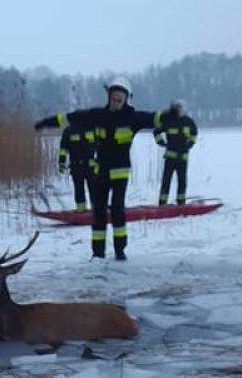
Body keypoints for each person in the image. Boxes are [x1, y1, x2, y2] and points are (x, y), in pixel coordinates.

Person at [36, 76, 168, 260]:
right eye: (113, 98)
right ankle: (98, 253)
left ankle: (120, 251)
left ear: (126, 99)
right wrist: (46, 122)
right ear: (109, 98)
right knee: (98, 212)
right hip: (101, 172)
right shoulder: (98, 115)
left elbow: (155, 118)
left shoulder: (132, 118)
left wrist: (173, 115)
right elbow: (71, 117)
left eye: (119, 99)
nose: (116, 102)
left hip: (120, 172)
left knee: (117, 210)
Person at [155, 99, 198, 206]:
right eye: (177, 108)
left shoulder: (189, 121)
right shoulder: (168, 121)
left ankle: (181, 203)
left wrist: (190, 144)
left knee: (182, 182)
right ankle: (162, 203)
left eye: (180, 108)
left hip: (183, 158)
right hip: (170, 158)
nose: (179, 110)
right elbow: (156, 131)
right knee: (166, 182)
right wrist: (160, 142)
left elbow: (194, 134)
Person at [58, 121, 97, 212]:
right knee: (79, 188)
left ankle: (96, 209)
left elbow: (101, 147)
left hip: (90, 166)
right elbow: (63, 149)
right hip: (76, 165)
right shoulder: (68, 131)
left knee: (94, 188)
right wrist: (61, 163)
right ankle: (81, 209)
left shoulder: (92, 129)